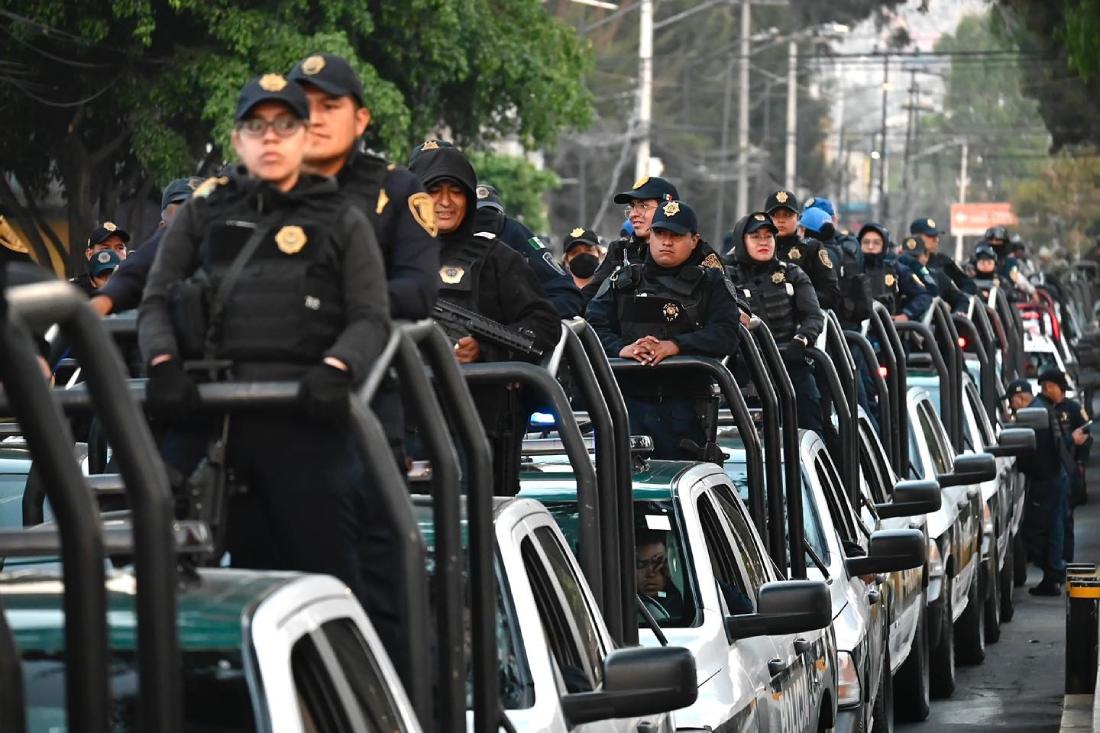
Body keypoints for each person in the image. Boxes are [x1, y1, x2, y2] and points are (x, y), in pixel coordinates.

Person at [138, 73, 392, 609]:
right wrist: (162, 363)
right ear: (238, 140)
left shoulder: (342, 218)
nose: (270, 138)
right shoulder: (205, 211)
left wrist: (337, 368)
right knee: (169, 590)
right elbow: (156, 299)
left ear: (304, 137)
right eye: (256, 126)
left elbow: (371, 317)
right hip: (209, 420)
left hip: (305, 423)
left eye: (284, 125)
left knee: (327, 592)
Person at [407, 142, 561, 493]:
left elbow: (543, 322)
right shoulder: (388, 255)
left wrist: (484, 351)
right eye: (433, 191)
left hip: (473, 424)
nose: (445, 202)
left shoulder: (496, 258)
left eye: (455, 191)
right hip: (401, 423)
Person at [287, 54, 439, 320]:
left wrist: (328, 304)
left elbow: (418, 290)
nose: (314, 119)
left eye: (330, 107)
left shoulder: (397, 189)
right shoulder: (252, 186)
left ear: (360, 120)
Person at [587, 200, 740, 461]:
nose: (666, 242)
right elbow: (591, 328)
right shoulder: (622, 280)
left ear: (694, 240)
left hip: (686, 405)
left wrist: (675, 346)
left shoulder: (711, 283)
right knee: (622, 491)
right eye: (660, 234)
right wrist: (622, 349)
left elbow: (726, 334)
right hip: (626, 403)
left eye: (676, 235)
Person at [725, 211, 824, 432]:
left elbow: (814, 316)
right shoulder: (724, 277)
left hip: (789, 365)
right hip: (743, 373)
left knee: (813, 430)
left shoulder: (792, 273)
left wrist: (800, 341)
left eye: (768, 236)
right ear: (742, 240)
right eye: (755, 237)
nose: (763, 242)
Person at [90, 177, 203, 316]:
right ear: (162, 228)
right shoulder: (155, 254)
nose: (193, 221)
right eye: (182, 217)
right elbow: (130, 277)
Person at [1022, 369, 1091, 594]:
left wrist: (1078, 458)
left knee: (1050, 528)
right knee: (1054, 528)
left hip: (1054, 477)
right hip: (1056, 476)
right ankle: (1055, 573)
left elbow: (1056, 444)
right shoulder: (1044, 409)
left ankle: (1057, 570)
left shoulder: (1052, 409)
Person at [472, 182, 584, 318]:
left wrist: (530, 319)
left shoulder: (516, 233)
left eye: (491, 213)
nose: (484, 218)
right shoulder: (448, 239)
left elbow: (566, 294)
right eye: (476, 214)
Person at [582, 176, 679, 301]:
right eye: (632, 206)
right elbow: (588, 296)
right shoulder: (620, 251)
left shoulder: (693, 252)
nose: (633, 214)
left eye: (643, 206)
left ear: (669, 210)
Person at [764, 189, 838, 311]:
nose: (781, 220)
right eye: (775, 215)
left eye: (787, 215)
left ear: (798, 218)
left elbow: (831, 294)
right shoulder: (756, 248)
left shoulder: (811, 248)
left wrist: (797, 299)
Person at [857, 223, 931, 322]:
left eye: (876, 243)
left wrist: (907, 315)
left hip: (886, 330)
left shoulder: (895, 269)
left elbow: (923, 295)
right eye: (866, 242)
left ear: (884, 245)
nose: (870, 247)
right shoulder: (851, 269)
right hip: (856, 330)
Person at [911, 216, 976, 297]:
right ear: (915, 238)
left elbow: (969, 285)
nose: (936, 240)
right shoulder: (903, 262)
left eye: (936, 236)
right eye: (930, 236)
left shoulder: (943, 261)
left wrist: (954, 300)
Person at [635, 526, 686, 622]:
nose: (650, 573)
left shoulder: (683, 603)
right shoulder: (619, 604)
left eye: (657, 562)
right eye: (641, 564)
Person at [71, 222, 129, 295]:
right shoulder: (73, 291)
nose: (114, 253)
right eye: (106, 248)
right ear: (89, 254)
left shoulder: (137, 287)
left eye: (120, 248)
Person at [984, 225, 1037, 302]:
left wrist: (1031, 291)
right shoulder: (979, 261)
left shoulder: (1010, 263)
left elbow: (1016, 277)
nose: (994, 243)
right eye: (991, 240)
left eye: (997, 240)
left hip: (1004, 301)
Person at [561, 227, 602, 291]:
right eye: (575, 252)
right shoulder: (561, 291)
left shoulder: (612, 286)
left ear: (599, 254)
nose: (583, 255)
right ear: (566, 260)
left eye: (589, 250)